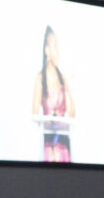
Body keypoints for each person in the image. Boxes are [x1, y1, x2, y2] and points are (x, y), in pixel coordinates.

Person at [32, 26, 75, 163]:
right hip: (49, 145)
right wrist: (50, 119)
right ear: (47, 50)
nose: (57, 52)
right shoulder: (40, 78)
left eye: (58, 47)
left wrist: (67, 89)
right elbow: (34, 113)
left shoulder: (63, 78)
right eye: (54, 47)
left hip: (64, 143)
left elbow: (72, 113)